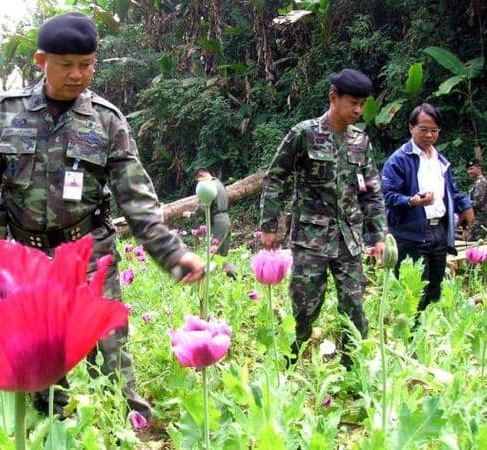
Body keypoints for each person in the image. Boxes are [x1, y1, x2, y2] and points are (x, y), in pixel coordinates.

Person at [0, 12, 204, 419]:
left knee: (111, 346)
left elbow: (136, 198)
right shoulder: (6, 111)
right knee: (40, 358)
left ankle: (128, 425)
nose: (78, 75)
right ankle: (54, 429)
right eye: (66, 65)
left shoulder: (107, 120)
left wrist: (173, 254)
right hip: (26, 259)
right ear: (41, 61)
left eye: (87, 64)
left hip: (88, 251)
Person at [259, 68, 386, 369]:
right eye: (353, 103)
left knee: (355, 309)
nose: (358, 110)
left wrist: (379, 235)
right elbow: (275, 178)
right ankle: (286, 369)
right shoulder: (303, 134)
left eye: (362, 104)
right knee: (304, 309)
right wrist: (269, 225)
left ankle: (354, 375)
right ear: (333, 98)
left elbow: (372, 192)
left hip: (349, 240)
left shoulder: (361, 142)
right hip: (311, 240)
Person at [382, 103, 474, 317]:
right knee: (413, 292)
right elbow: (387, 195)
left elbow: (452, 191)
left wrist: (466, 207)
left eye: (434, 130)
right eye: (423, 129)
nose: (429, 135)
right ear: (411, 128)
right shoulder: (398, 160)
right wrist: (411, 201)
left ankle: (427, 338)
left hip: (439, 231)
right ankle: (409, 340)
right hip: (410, 232)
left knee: (435, 287)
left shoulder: (440, 160)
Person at [188, 168, 236, 278]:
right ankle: (235, 277)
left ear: (200, 177)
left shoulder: (208, 185)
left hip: (218, 222)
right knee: (222, 255)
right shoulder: (219, 183)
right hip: (225, 219)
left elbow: (202, 206)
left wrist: (191, 214)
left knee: (215, 255)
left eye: (198, 181)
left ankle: (212, 281)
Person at [467, 158, 486, 241]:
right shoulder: (478, 182)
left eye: (471, 169)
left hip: (481, 221)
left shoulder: (481, 182)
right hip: (478, 220)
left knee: (477, 244)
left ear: (479, 168)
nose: (469, 172)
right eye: (468, 169)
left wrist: (463, 204)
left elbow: (477, 203)